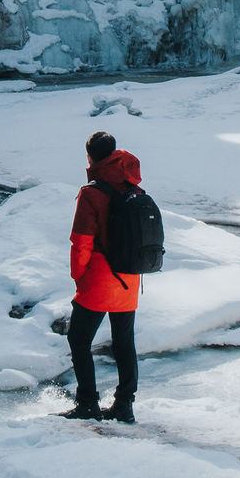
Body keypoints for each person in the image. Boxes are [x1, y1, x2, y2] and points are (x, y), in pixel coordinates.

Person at [66, 130, 140, 423]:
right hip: (130, 277)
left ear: (90, 157)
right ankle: (124, 404)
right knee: (124, 341)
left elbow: (81, 240)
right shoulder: (132, 186)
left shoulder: (92, 193)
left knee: (79, 339)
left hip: (98, 277)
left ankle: (87, 403)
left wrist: (78, 276)